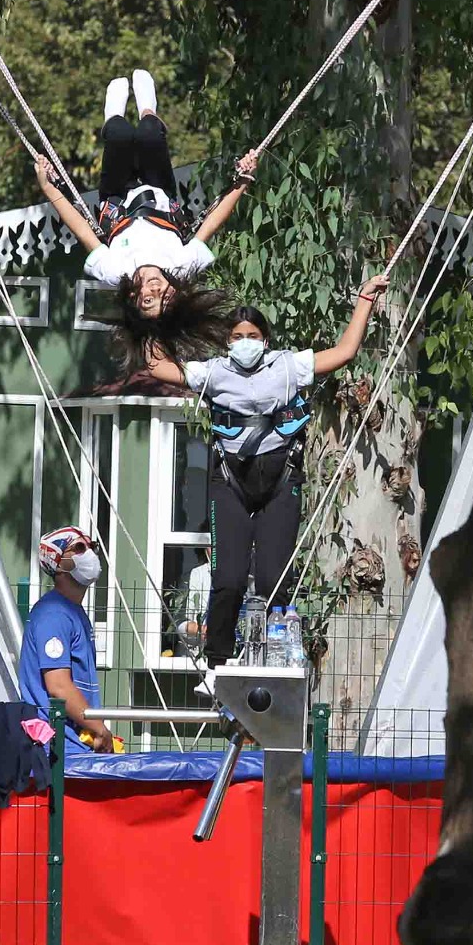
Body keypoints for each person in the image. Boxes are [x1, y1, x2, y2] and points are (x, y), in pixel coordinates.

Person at [147, 273, 390, 673]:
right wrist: (153, 316)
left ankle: (274, 657)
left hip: (280, 482)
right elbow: (157, 366)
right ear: (228, 341)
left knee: (274, 577)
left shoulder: (288, 366)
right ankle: (218, 662)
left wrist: (364, 299)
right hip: (230, 484)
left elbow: (345, 351)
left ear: (265, 339)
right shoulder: (213, 372)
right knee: (228, 579)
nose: (245, 341)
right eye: (238, 335)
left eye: (253, 334)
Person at [34, 69, 257, 374]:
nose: (152, 289)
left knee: (120, 134)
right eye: (160, 297)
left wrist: (48, 188)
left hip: (117, 197)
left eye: (146, 299)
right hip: (159, 191)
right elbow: (213, 222)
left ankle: (112, 112)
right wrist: (243, 180)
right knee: (150, 132)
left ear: (132, 297)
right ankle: (149, 108)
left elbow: (81, 228)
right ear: (175, 292)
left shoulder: (114, 271)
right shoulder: (181, 264)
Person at [18, 524, 118, 753]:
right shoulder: (53, 614)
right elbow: (59, 686)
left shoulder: (73, 612)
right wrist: (100, 729)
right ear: (58, 563)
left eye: (92, 547)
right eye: (80, 548)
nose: (90, 554)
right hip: (58, 749)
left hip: (77, 743)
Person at [174, 547, 213, 653]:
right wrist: (201, 630)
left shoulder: (245, 579)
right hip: (192, 654)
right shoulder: (193, 575)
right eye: (212, 546)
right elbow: (178, 621)